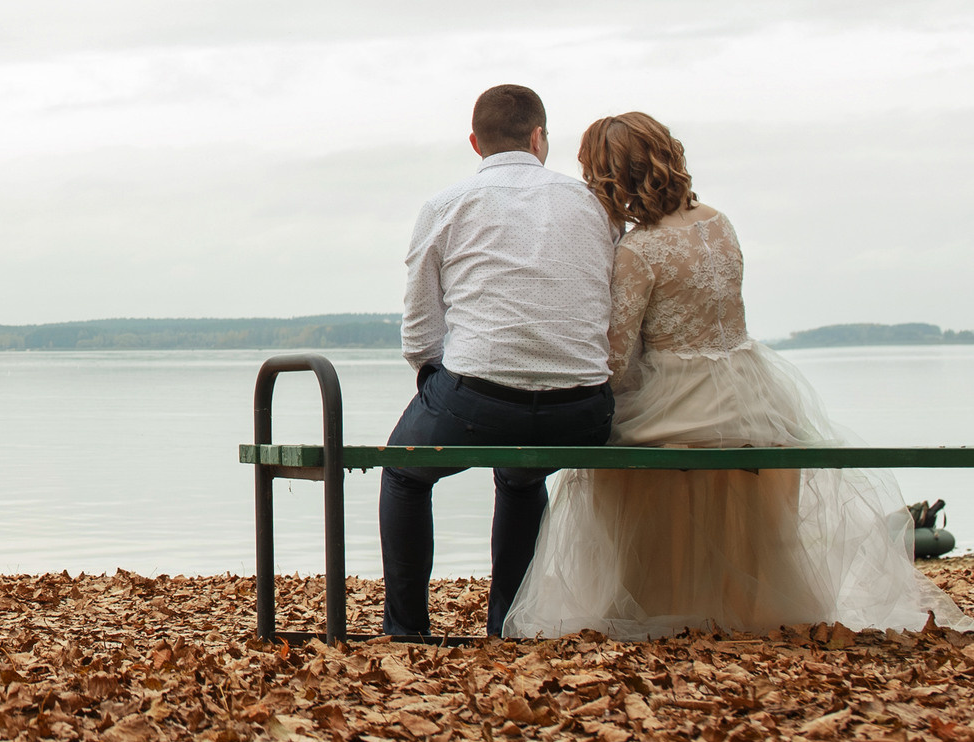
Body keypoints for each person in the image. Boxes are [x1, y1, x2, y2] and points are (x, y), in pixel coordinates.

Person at [503, 114, 969, 639]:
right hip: (750, 389)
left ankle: (660, 603)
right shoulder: (719, 222)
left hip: (675, 399)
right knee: (744, 512)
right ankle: (749, 606)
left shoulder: (638, 251)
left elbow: (617, 358)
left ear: (610, 178)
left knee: (608, 460)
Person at [381, 85, 618, 638]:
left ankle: (407, 632)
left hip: (477, 402)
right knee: (520, 476)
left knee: (403, 471)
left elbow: (420, 333)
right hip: (583, 412)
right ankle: (509, 627)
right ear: (539, 138)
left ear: (474, 142)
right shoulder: (593, 204)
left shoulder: (445, 206)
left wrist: (440, 379)